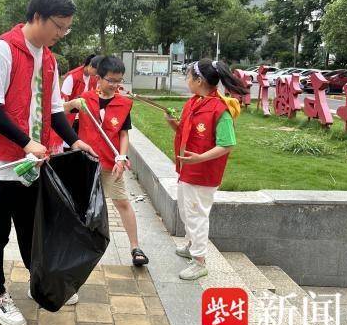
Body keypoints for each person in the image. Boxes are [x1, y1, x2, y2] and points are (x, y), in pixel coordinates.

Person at [0, 0, 96, 325]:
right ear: (37, 17)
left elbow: (55, 110)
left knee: (33, 228)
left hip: (33, 162)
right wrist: (26, 142)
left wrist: (75, 141)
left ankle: (37, 280)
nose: (61, 34)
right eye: (58, 26)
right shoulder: (1, 51)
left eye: (66, 28)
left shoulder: (49, 58)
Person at [164, 59, 245, 280]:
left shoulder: (220, 109)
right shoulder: (194, 102)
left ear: (199, 80)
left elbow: (227, 144)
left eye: (188, 76)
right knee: (186, 211)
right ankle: (192, 245)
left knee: (197, 215)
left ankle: (199, 261)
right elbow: (185, 130)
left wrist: (200, 158)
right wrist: (173, 123)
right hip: (187, 169)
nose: (186, 80)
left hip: (203, 174)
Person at [66, 55, 149, 266]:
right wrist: (72, 103)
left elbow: (123, 134)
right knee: (79, 206)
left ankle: (135, 247)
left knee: (122, 202)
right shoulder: (85, 98)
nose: (114, 85)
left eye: (118, 80)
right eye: (110, 80)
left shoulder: (123, 104)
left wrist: (121, 156)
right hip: (86, 163)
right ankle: (76, 245)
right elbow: (58, 112)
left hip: (111, 164)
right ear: (99, 78)